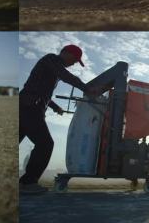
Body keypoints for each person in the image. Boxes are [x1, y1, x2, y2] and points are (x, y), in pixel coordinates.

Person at [19, 44, 99, 194]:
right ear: (66, 53)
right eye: (75, 59)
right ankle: (27, 183)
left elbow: (41, 92)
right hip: (29, 108)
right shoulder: (51, 60)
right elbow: (66, 76)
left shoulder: (51, 70)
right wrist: (87, 88)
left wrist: (56, 108)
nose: (74, 63)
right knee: (45, 144)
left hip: (26, 107)